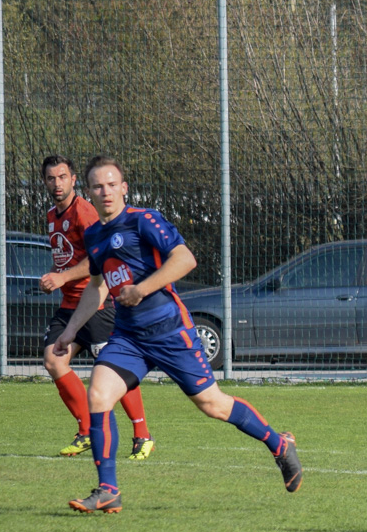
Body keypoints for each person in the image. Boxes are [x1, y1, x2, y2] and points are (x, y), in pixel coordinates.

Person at [51, 156, 302, 513]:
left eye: (112, 184)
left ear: (124, 188)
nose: (105, 192)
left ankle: (279, 444)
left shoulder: (143, 220)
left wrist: (142, 289)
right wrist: (71, 330)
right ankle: (108, 490)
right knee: (99, 394)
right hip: (129, 337)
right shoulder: (94, 235)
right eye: (98, 186)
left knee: (212, 404)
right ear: (88, 192)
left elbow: (185, 259)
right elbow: (97, 286)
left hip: (169, 330)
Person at [38, 155, 154, 459]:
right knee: (53, 360)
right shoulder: (52, 215)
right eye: (51, 178)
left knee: (115, 369)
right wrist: (55, 277)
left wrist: (62, 277)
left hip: (97, 304)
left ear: (74, 180)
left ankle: (142, 434)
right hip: (69, 305)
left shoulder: (85, 211)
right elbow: (68, 256)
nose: (57, 183)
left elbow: (97, 258)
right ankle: (87, 429)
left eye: (63, 177)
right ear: (45, 182)